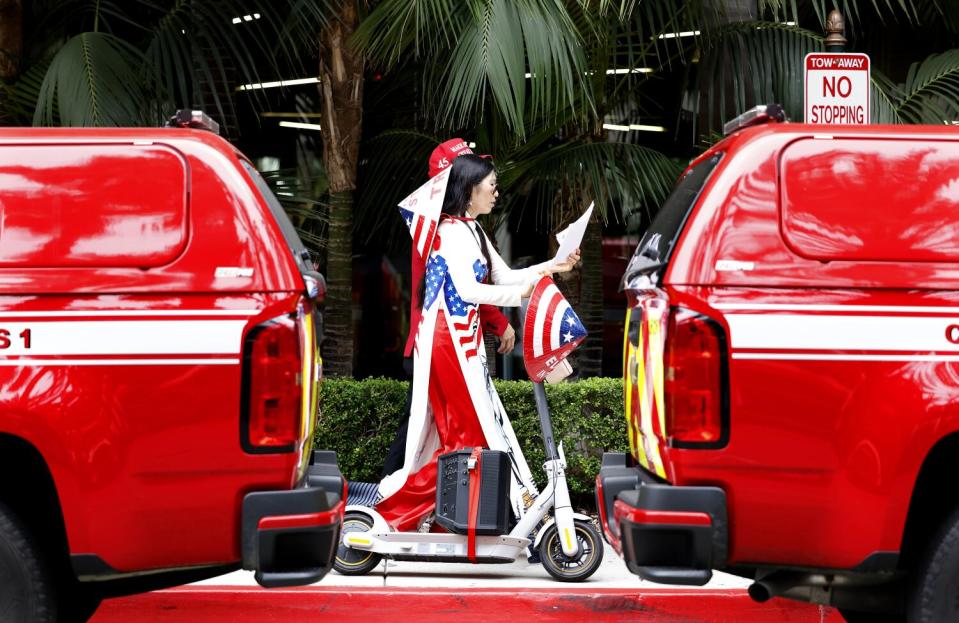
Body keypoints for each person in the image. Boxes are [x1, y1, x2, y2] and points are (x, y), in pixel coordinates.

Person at [374, 153, 580, 532]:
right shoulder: (451, 232)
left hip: (459, 342)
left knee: (468, 438)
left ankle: (446, 520)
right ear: (469, 189)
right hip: (448, 343)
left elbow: (505, 276)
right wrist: (525, 293)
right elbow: (470, 290)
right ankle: (399, 517)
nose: (496, 193)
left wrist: (554, 265)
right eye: (492, 185)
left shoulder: (471, 229)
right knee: (468, 438)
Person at [381, 139, 514, 478]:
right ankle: (394, 493)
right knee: (428, 430)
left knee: (422, 428)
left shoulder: (455, 226)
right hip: (442, 343)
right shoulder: (442, 230)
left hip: (439, 340)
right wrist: (499, 320)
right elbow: (463, 288)